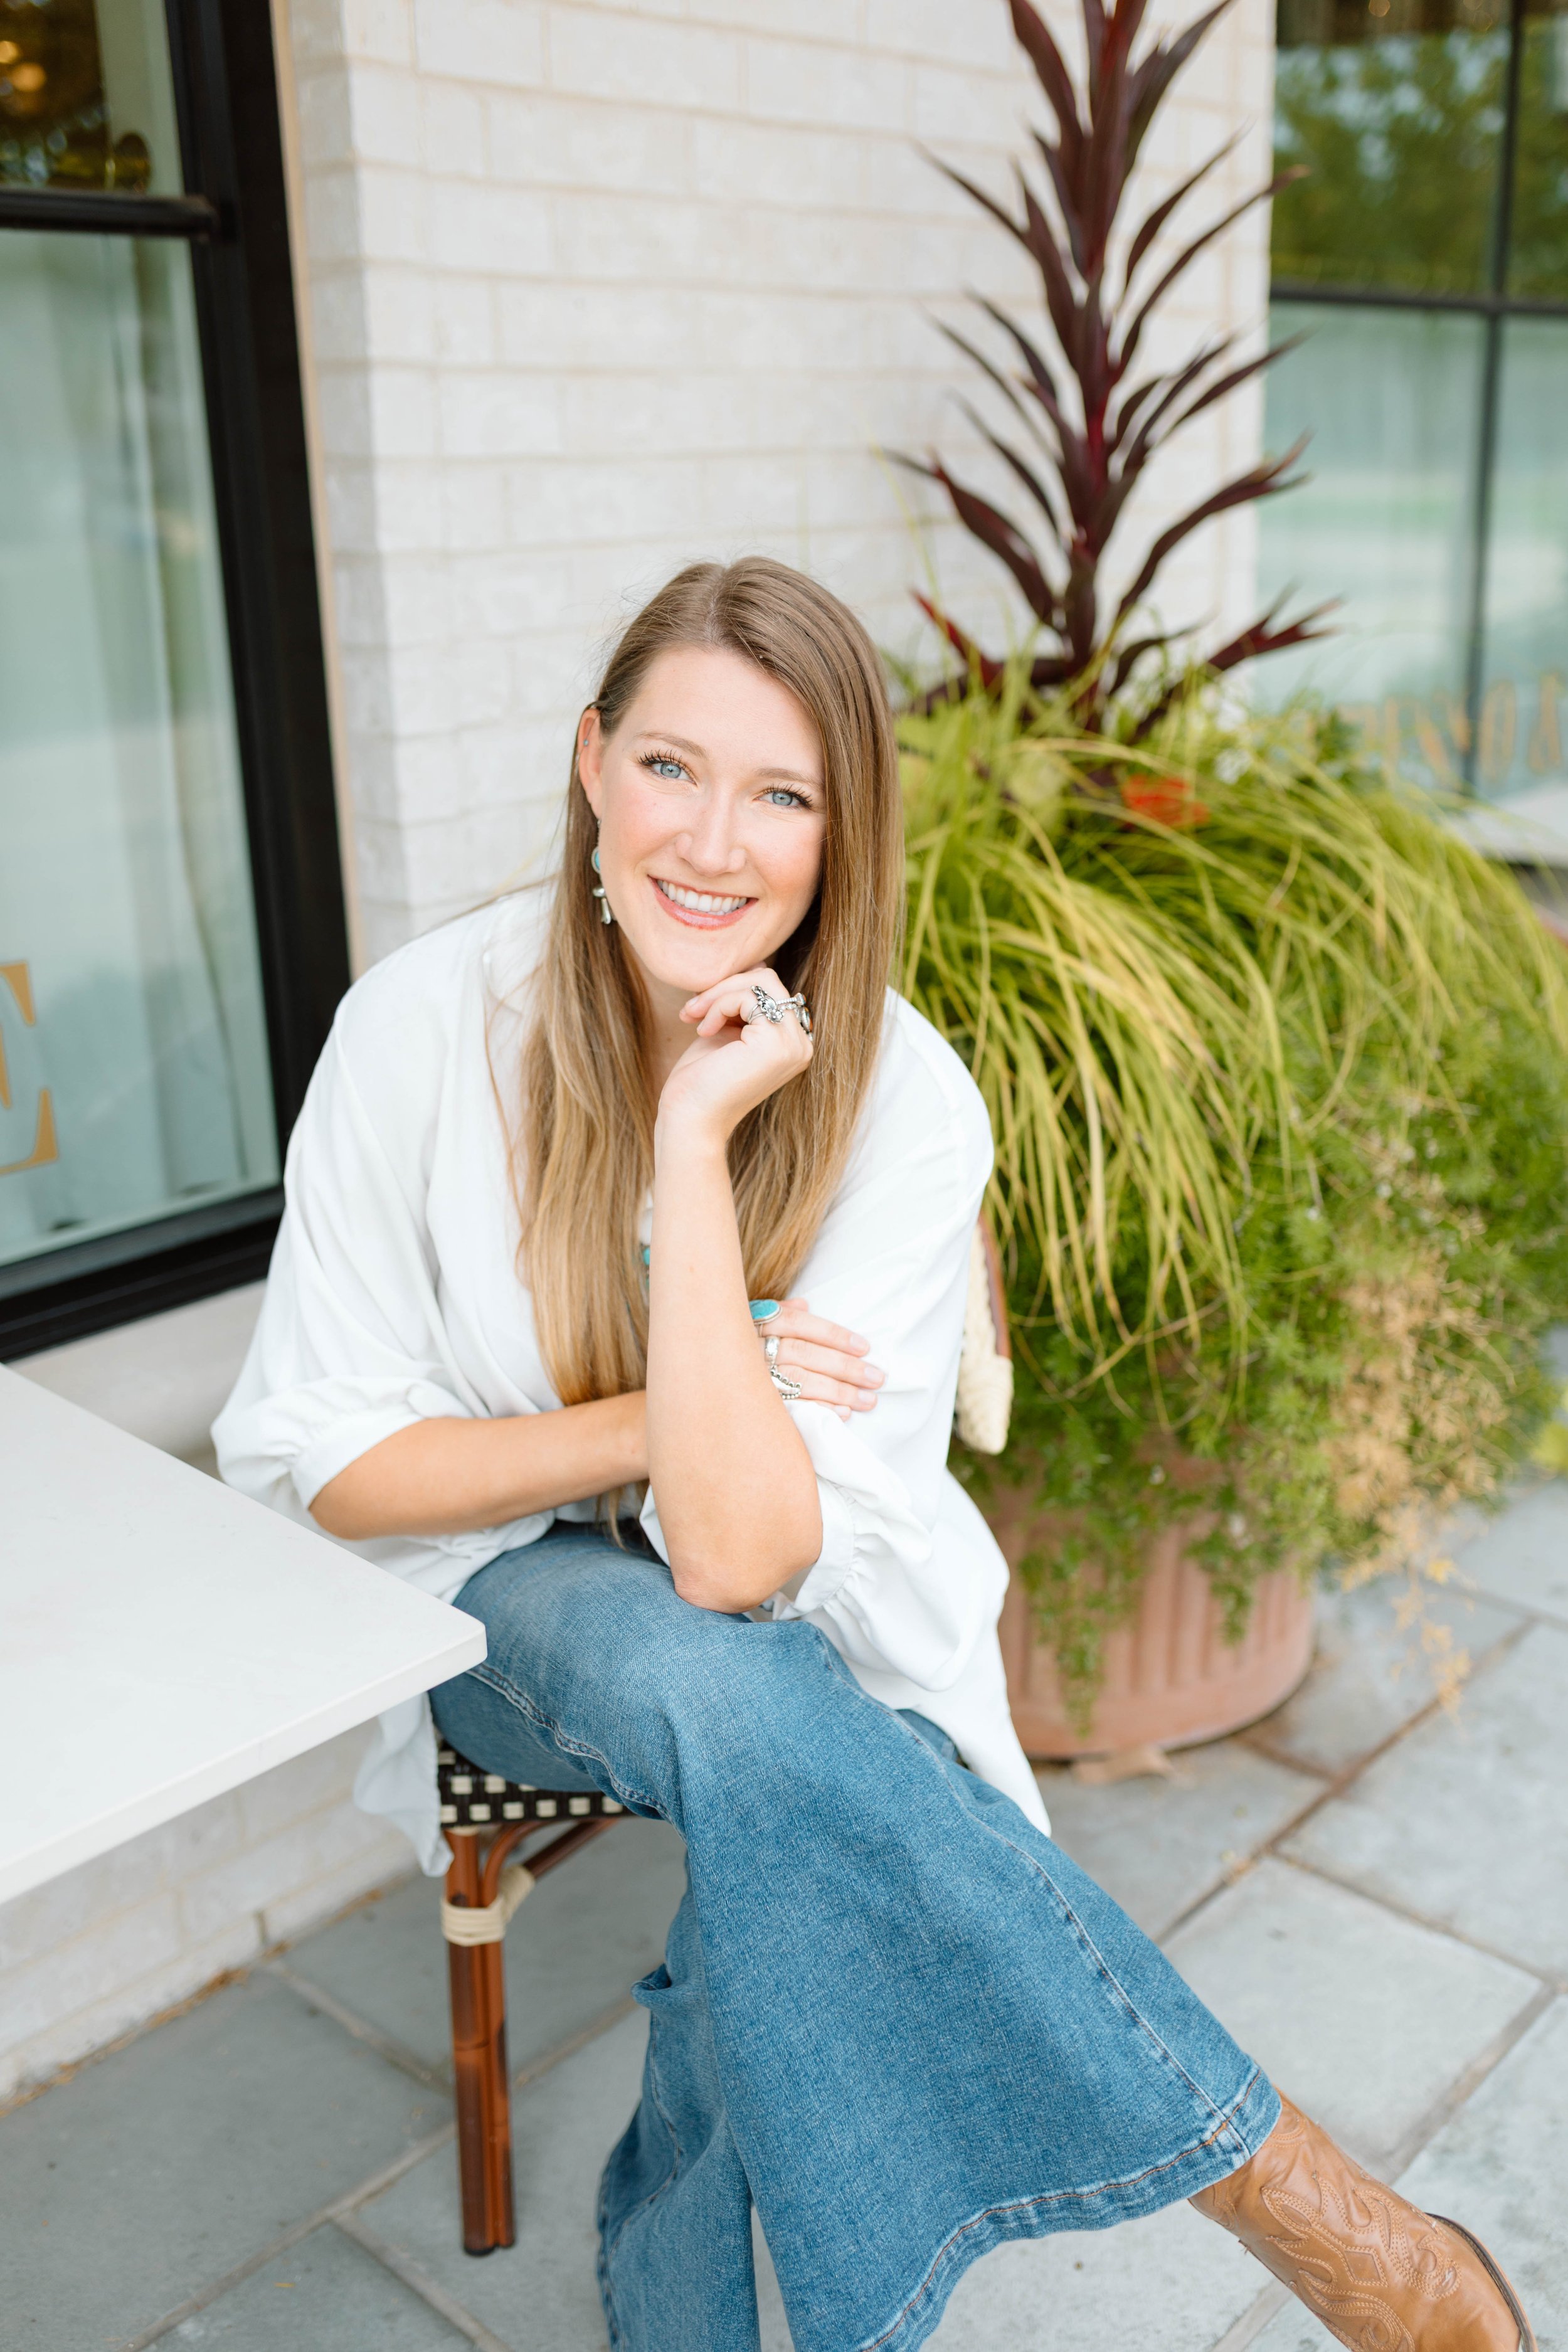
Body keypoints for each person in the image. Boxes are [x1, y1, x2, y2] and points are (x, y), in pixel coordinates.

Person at [215, 559, 1534, 2352]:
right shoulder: (423, 1028)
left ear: (843, 834)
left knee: (766, 1823)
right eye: (672, 767)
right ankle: (1314, 2215)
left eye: (783, 793)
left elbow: (750, 1556)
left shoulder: (899, 1095)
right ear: (590, 764)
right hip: (491, 1596)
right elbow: (344, 1468)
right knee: (751, 1716)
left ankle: (678, 2311)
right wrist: (653, 1407)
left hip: (781, 1612)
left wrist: (694, 1156)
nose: (713, 840)